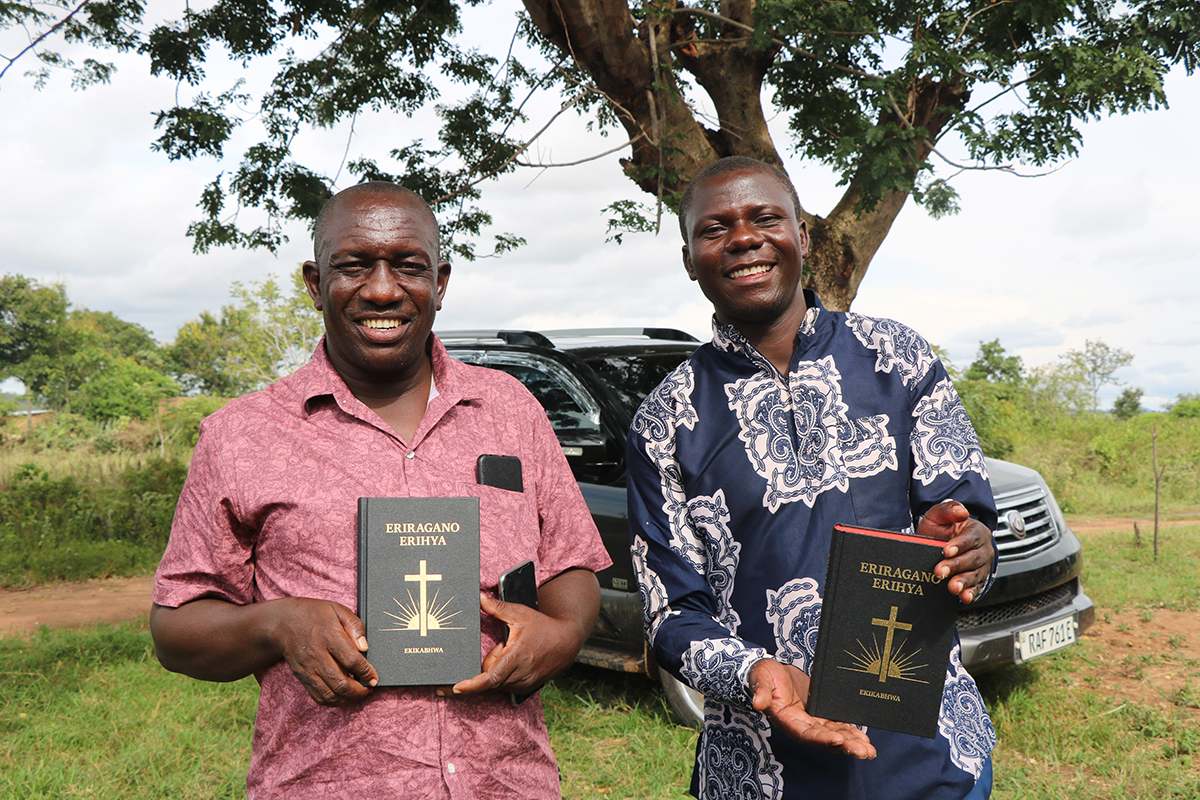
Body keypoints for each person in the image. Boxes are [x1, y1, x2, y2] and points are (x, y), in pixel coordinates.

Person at [151, 181, 610, 799]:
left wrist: (563, 633)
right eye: (354, 265)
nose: (384, 289)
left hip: (506, 781)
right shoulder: (242, 435)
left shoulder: (510, 409)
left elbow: (570, 561)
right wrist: (279, 625)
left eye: (408, 266)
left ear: (440, 283)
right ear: (315, 283)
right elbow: (175, 628)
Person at [627, 156, 999, 799]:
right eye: (714, 229)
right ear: (689, 259)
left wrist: (971, 548)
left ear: (802, 235)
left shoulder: (898, 358)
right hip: (762, 766)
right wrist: (755, 672)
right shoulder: (667, 417)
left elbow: (969, 525)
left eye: (766, 218)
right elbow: (669, 615)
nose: (743, 238)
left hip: (928, 754)